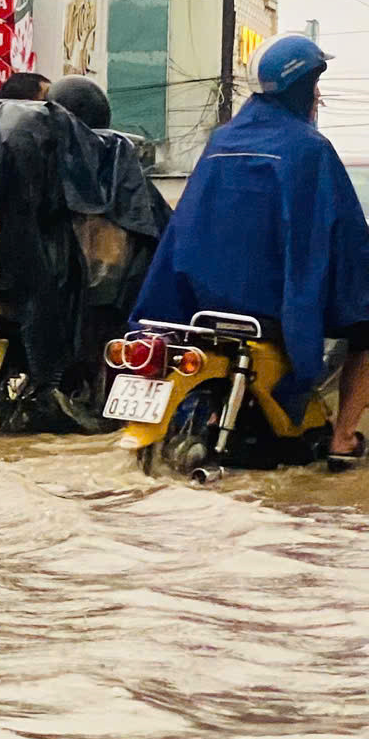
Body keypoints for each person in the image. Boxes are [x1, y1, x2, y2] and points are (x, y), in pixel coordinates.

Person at [133, 35, 369, 466]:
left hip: (199, 300)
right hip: (274, 306)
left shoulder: (222, 140)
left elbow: (187, 223)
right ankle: (342, 438)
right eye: (316, 87)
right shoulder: (309, 149)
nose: (318, 98)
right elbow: (344, 234)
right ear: (304, 87)